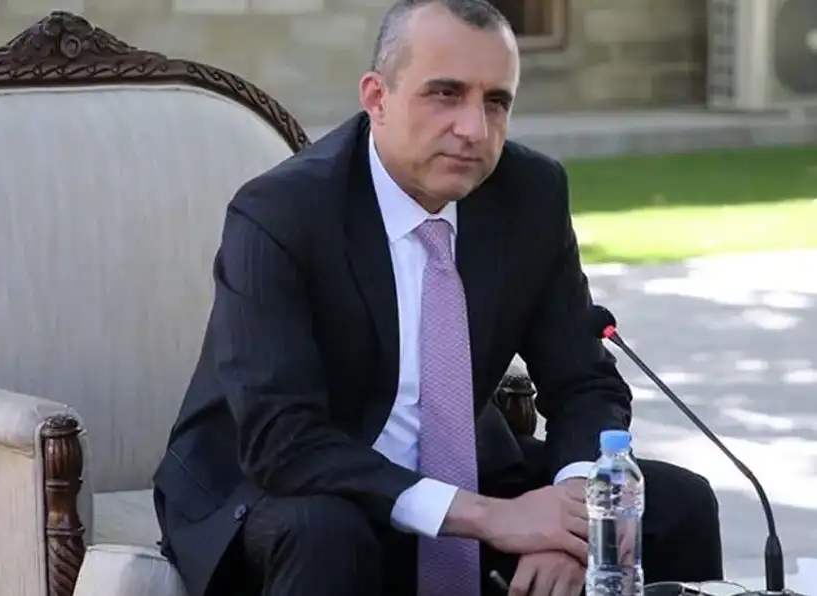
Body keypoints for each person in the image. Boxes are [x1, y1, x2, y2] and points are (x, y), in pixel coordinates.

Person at [152, 0, 724, 594]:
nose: (474, 129)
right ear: (377, 98)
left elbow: (585, 381)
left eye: (496, 102)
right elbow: (281, 440)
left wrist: (576, 517)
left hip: (465, 469)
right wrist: (492, 517)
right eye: (445, 94)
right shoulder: (282, 213)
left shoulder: (529, 194)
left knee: (677, 503)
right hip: (276, 485)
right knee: (326, 532)